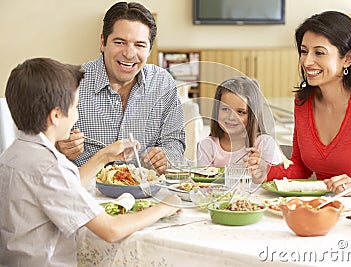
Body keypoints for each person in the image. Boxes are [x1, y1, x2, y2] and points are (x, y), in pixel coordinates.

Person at [0, 58, 182, 266]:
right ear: (56, 115)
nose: (77, 116)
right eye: (76, 106)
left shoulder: (13, 155)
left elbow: (64, 187)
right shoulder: (52, 167)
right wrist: (163, 207)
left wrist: (104, 156)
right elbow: (111, 230)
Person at [267, 11, 351, 201]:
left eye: (319, 53)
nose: (307, 61)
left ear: (347, 58)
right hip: (323, 208)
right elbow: (300, 167)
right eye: (304, 51)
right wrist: (263, 172)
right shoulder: (303, 102)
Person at [56, 1, 185, 174]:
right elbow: (45, 148)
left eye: (139, 45)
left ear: (149, 50)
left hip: (145, 192)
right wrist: (60, 147)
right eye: (120, 42)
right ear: (103, 42)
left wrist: (167, 156)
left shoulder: (163, 83)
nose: (129, 53)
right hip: (86, 192)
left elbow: (175, 142)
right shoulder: (71, 83)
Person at [197, 76, 281, 183]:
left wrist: (262, 171)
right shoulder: (206, 146)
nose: (231, 117)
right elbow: (202, 184)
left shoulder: (264, 144)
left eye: (241, 112)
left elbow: (276, 183)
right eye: (225, 109)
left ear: (252, 116)